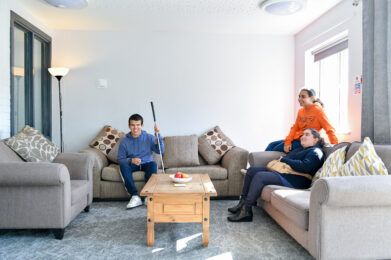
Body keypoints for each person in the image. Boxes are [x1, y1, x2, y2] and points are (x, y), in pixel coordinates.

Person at [228, 128, 325, 222]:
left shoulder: (316, 152)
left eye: (307, 134)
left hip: (296, 179)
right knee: (252, 170)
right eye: (302, 134)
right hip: (284, 173)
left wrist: (284, 160)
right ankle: (242, 203)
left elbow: (305, 167)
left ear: (315, 139)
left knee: (260, 176)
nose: (302, 136)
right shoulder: (301, 149)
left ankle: (246, 210)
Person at [265, 88, 337, 153]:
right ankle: (264, 166)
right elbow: (294, 128)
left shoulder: (318, 111)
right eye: (299, 96)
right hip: (296, 139)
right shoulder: (300, 111)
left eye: (303, 96)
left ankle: (267, 166)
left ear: (311, 98)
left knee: (275, 149)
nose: (299, 99)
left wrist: (336, 147)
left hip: (305, 142)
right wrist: (288, 141)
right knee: (271, 145)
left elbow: (329, 129)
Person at [118, 114, 164, 209]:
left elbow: (160, 151)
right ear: (129, 126)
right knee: (123, 166)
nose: (135, 128)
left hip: (147, 163)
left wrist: (158, 135)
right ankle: (135, 196)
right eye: (133, 125)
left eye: (138, 125)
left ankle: (148, 196)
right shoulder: (124, 142)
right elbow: (120, 159)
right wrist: (131, 160)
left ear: (142, 126)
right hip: (132, 164)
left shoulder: (150, 137)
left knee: (153, 164)